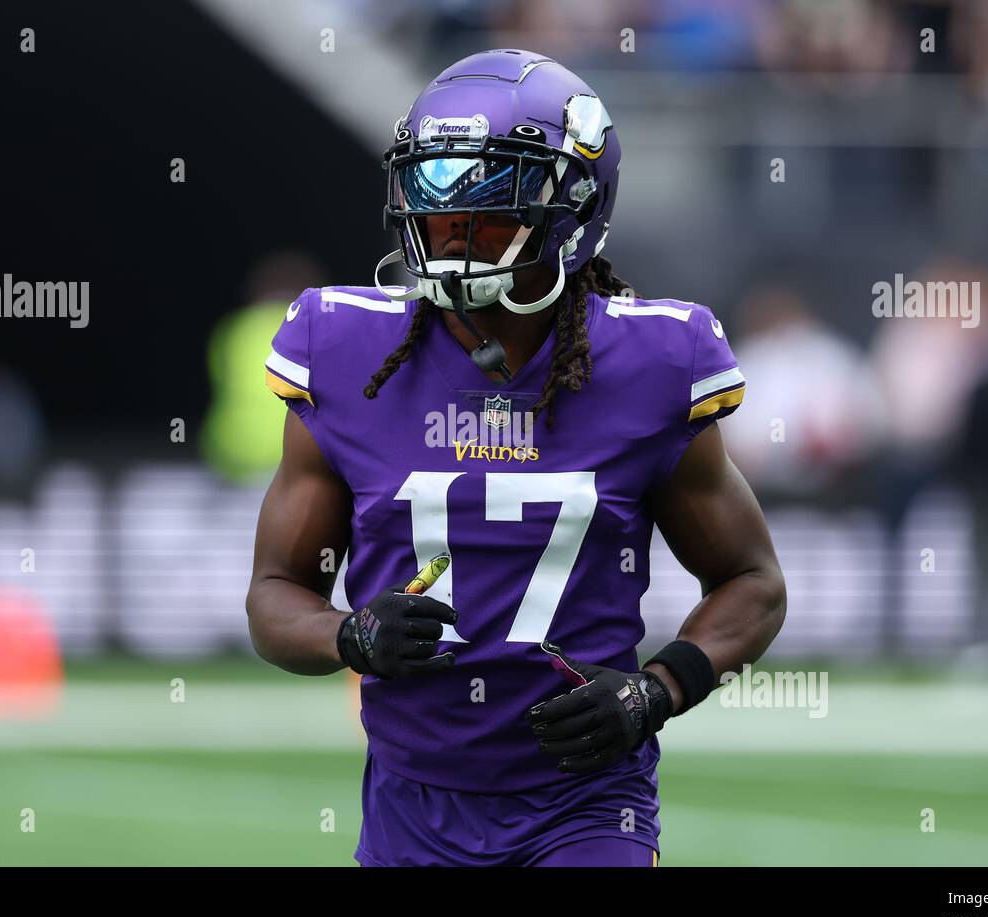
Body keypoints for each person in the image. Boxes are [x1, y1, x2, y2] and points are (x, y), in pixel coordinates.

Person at [246, 49, 786, 867]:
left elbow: (753, 582)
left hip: (587, 801)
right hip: (411, 804)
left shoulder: (653, 364)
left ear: (573, 214)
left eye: (487, 219)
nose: (451, 243)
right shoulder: (344, 347)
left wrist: (657, 689)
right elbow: (273, 598)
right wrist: (349, 636)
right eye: (433, 212)